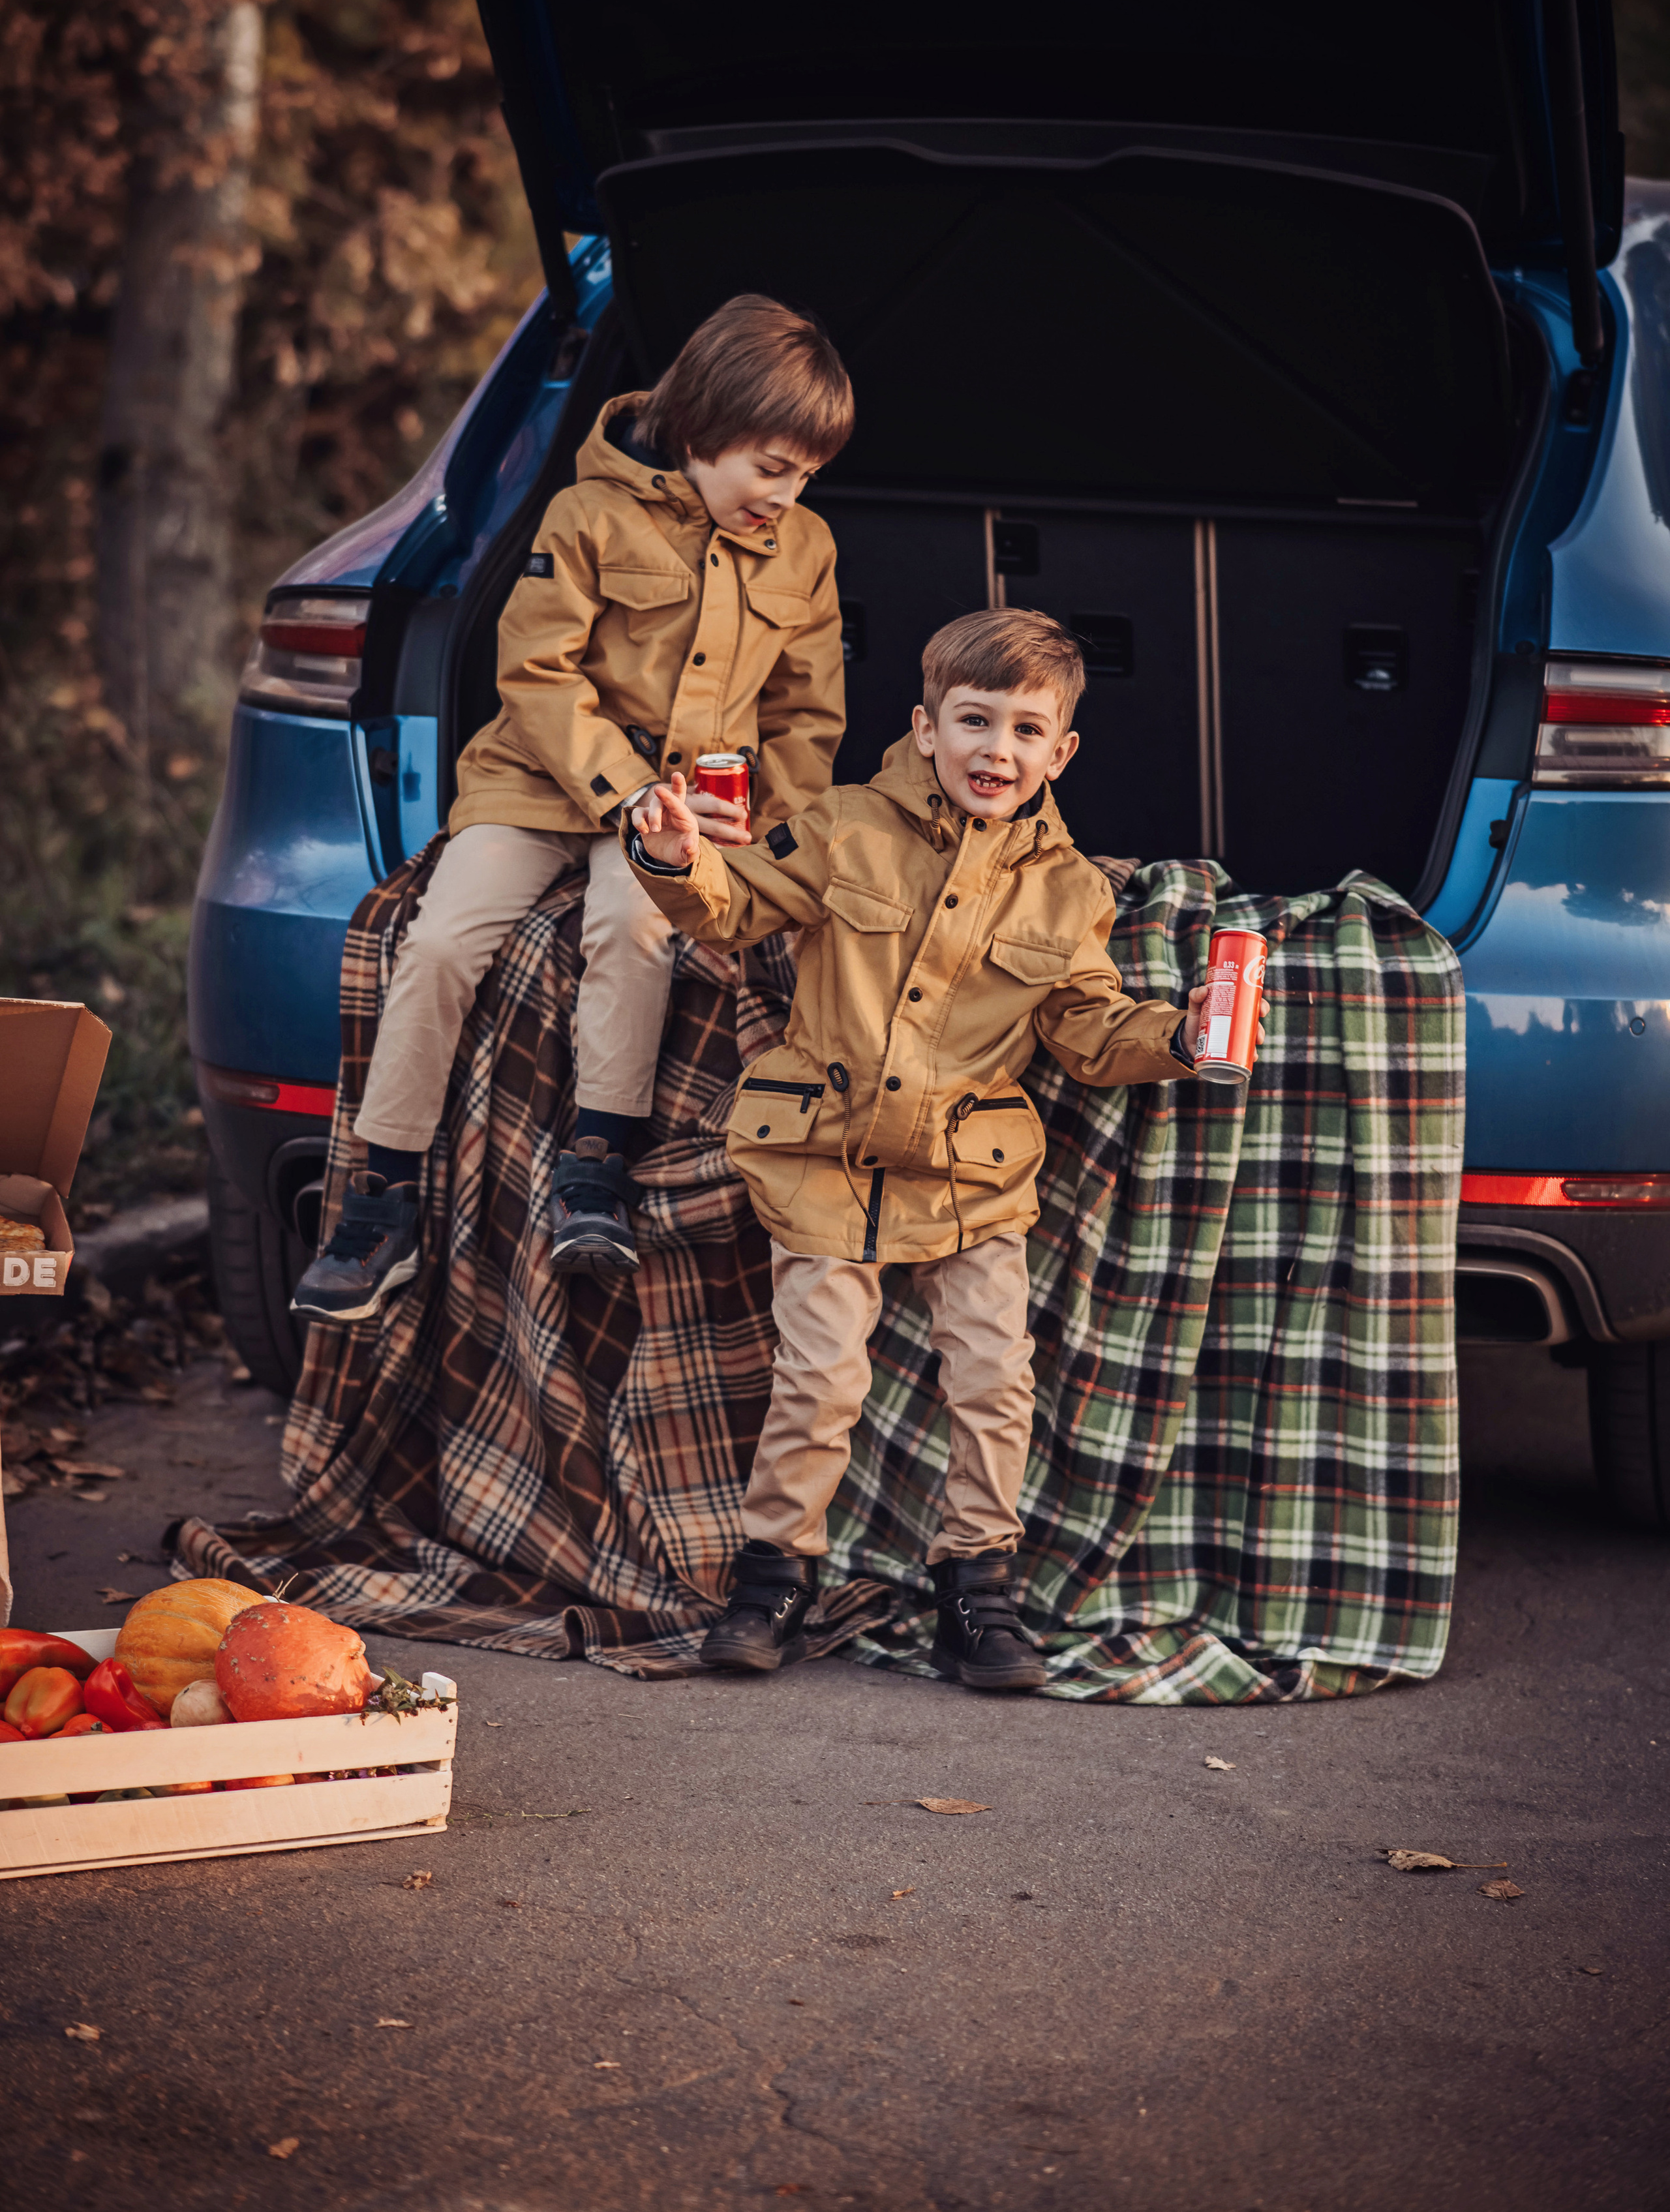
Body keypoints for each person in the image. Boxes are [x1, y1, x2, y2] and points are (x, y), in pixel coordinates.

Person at [627, 607, 1261, 1693]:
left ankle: (977, 1587)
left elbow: (1088, 1032)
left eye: (1025, 730)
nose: (995, 750)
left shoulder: (1071, 892)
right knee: (820, 1379)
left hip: (971, 1175)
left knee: (995, 1379)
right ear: (925, 727)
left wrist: (1182, 1035)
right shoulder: (844, 827)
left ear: (1060, 753)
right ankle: (773, 1576)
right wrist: (672, 858)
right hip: (824, 1157)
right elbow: (734, 911)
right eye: (973, 720)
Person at [292, 294, 854, 1324]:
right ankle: (382, 1196)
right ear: (703, 430)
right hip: (537, 781)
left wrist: (771, 830)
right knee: (439, 941)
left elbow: (806, 714)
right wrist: (624, 788)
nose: (789, 492)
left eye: (807, 474)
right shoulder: (586, 517)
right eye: (772, 468)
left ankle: (595, 1163)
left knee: (635, 925)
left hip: (684, 805)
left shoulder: (804, 549)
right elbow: (538, 675)